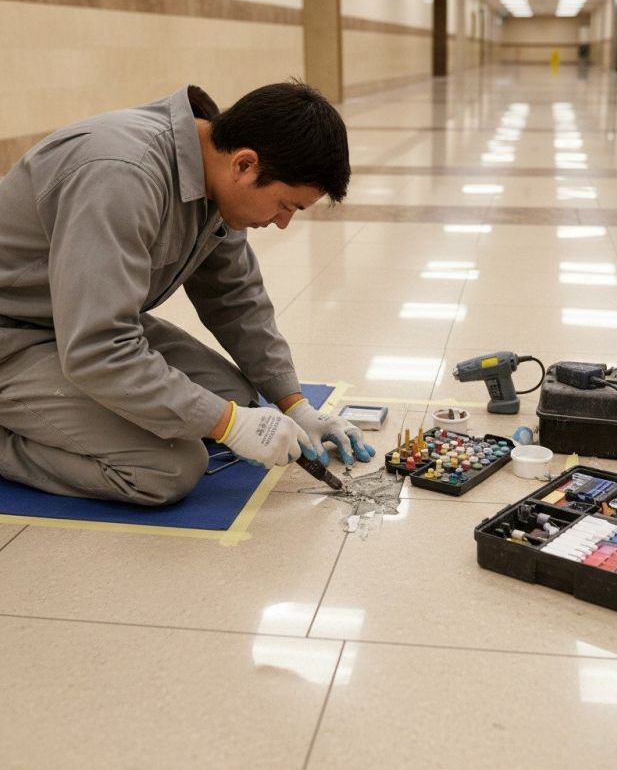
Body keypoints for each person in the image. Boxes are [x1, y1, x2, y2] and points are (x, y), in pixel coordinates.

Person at [0, 81, 375, 506]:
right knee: (168, 468)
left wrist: (295, 407)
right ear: (245, 165)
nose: (283, 222)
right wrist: (230, 426)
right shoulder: (121, 176)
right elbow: (98, 348)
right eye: (285, 205)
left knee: (235, 399)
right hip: (14, 336)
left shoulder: (212, 172)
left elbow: (236, 298)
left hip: (68, 320)